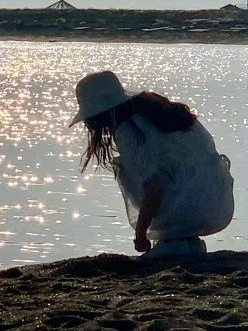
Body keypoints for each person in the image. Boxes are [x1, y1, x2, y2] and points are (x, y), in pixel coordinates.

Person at [70, 70, 234, 257]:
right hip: (217, 203)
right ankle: (187, 242)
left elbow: (153, 189)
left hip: (189, 210)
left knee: (126, 169)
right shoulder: (164, 113)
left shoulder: (129, 130)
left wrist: (140, 234)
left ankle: (173, 242)